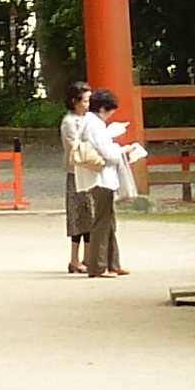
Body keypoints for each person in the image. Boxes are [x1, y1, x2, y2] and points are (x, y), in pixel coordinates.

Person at [59, 84, 136, 277]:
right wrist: (124, 150)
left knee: (108, 220)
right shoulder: (95, 125)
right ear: (102, 109)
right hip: (99, 178)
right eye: (110, 112)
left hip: (94, 177)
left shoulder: (88, 122)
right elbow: (108, 153)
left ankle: (112, 263)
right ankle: (98, 266)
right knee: (102, 221)